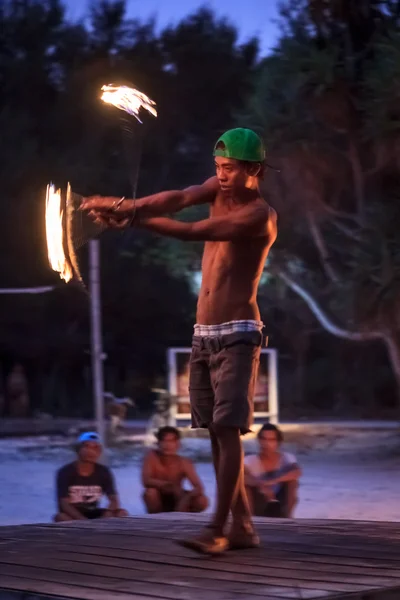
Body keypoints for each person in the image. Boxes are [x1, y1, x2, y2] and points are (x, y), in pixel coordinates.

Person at [80, 127, 278, 554]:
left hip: (239, 335)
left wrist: (131, 219)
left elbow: (196, 231)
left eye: (230, 169)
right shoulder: (216, 188)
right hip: (203, 335)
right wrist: (124, 205)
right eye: (218, 167)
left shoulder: (260, 215)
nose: (221, 176)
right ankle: (243, 525)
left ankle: (218, 528)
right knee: (214, 432)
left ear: (254, 170)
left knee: (227, 430)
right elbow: (178, 197)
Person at [54, 431, 128, 521]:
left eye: (95, 448)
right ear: (78, 449)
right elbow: (64, 504)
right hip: (73, 514)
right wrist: (83, 520)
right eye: (86, 446)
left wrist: (107, 513)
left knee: (122, 513)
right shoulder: (65, 472)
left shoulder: (103, 471)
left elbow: (114, 499)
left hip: (93, 512)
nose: (90, 451)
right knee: (60, 517)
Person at [142, 426, 209, 513]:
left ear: (178, 444)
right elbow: (146, 481)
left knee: (202, 500)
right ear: (158, 443)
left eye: (171, 441)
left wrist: (186, 499)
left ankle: (184, 516)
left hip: (177, 496)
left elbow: (199, 487)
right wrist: (167, 485)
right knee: (150, 493)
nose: (167, 445)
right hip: (159, 497)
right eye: (164, 441)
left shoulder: (184, 462)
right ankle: (157, 518)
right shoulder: (151, 457)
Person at [244, 423, 301, 518]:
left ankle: (288, 518)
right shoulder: (250, 460)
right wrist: (261, 485)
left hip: (280, 500)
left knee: (292, 482)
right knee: (243, 486)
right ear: (259, 440)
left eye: (271, 440)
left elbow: (297, 472)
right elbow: (241, 478)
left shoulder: (286, 458)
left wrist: (271, 481)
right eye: (263, 439)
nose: (266, 444)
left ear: (278, 442)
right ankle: (251, 519)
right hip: (258, 500)